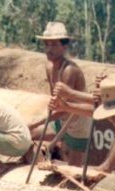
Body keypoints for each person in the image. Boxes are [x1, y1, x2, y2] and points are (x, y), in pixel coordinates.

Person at [36, 21, 91, 166]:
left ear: (64, 46)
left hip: (78, 120)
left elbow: (63, 107)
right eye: (47, 44)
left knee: (74, 169)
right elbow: (56, 103)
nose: (49, 49)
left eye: (54, 45)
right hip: (62, 117)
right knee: (33, 134)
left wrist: (36, 121)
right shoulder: (49, 68)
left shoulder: (70, 71)